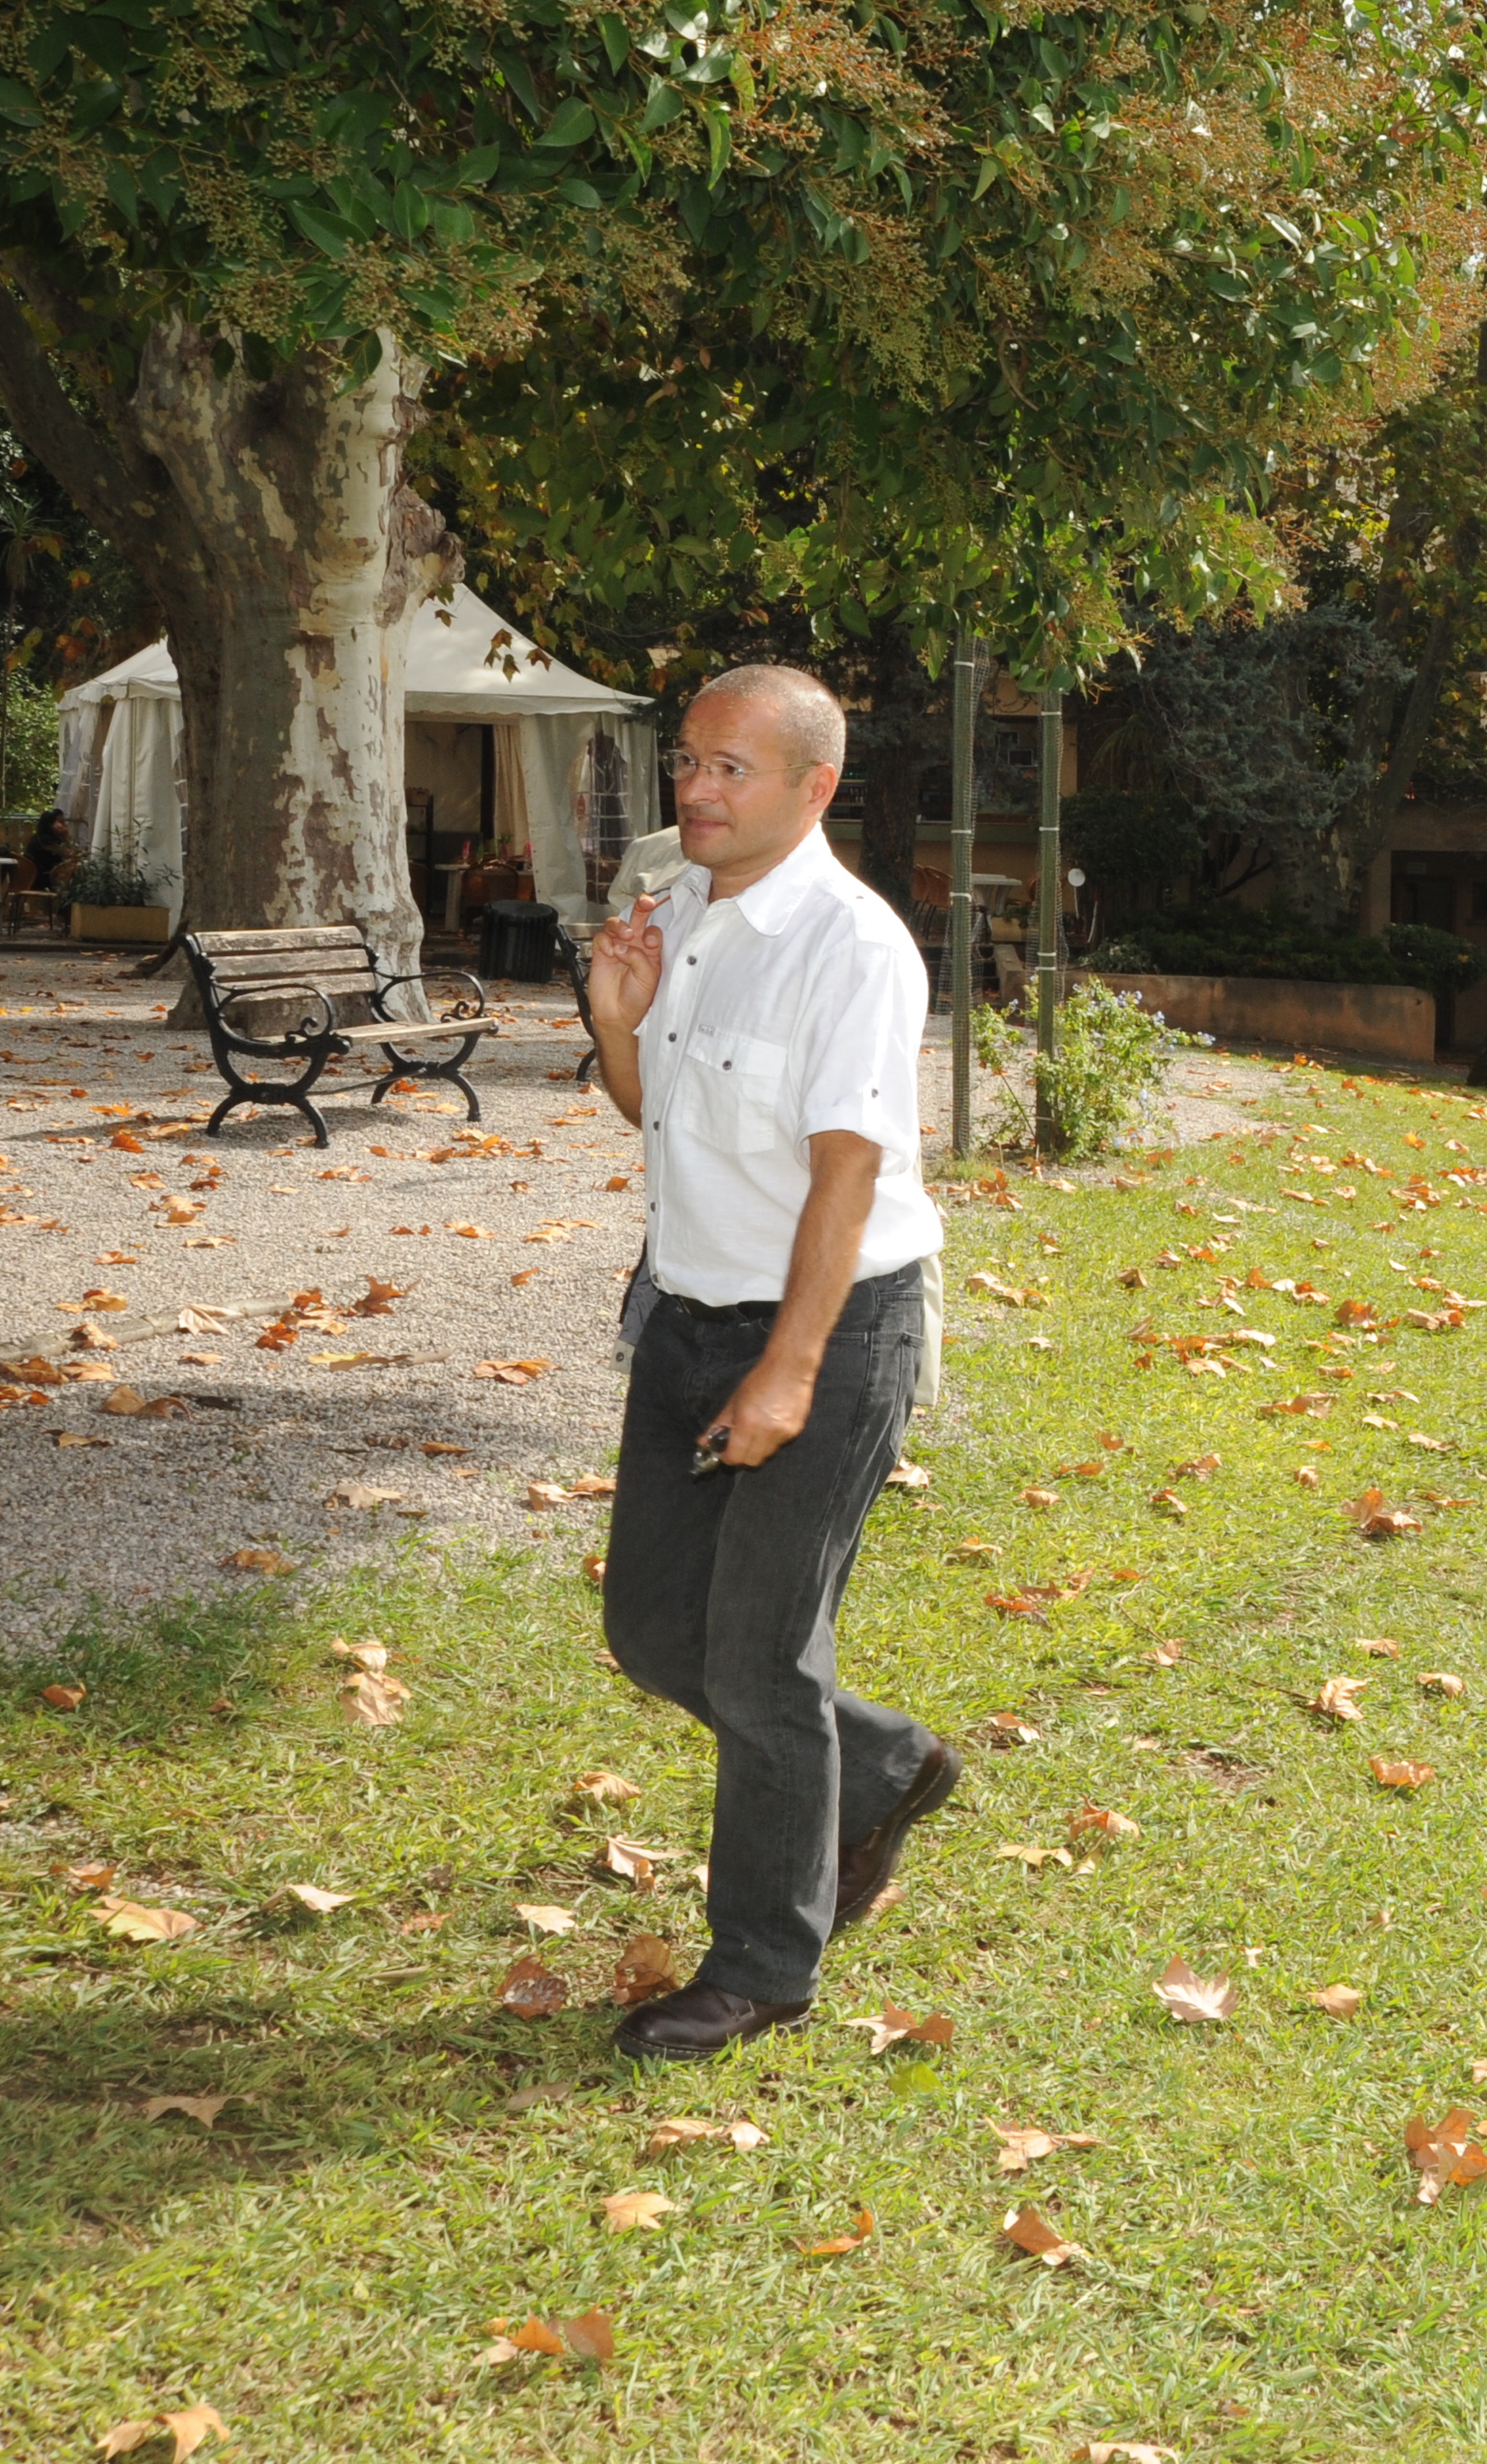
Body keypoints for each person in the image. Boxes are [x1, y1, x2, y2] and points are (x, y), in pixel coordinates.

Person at [583, 664, 959, 2060]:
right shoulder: (680, 909)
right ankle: (880, 1763)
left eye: (732, 769)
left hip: (831, 1328)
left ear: (815, 788)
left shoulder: (853, 951)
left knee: (755, 1662)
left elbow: (846, 1181)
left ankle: (761, 1966)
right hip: (684, 1318)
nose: (695, 791)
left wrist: (792, 1371)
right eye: (688, 761)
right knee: (649, 1628)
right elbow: (658, 1118)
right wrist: (618, 1020)